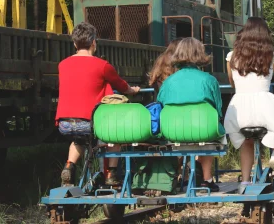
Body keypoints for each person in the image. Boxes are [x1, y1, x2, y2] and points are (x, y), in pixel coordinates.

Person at [56, 22, 140, 186]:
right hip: (90, 122)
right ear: (93, 42)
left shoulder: (62, 65)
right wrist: (133, 90)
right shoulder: (102, 65)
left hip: (65, 124)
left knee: (78, 140)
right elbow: (121, 86)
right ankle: (111, 174)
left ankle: (69, 166)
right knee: (114, 135)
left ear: (74, 44)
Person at [223, 17, 274, 194]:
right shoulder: (273, 56)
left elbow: (232, 83)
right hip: (265, 106)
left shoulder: (232, 57)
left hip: (239, 109)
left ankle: (244, 182)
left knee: (246, 141)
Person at [156, 37, 224, 192]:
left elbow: (160, 105)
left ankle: (183, 177)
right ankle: (207, 179)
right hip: (203, 129)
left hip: (173, 131)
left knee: (186, 136)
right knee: (209, 135)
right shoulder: (209, 80)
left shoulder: (168, 82)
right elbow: (218, 109)